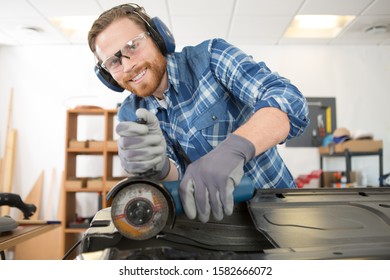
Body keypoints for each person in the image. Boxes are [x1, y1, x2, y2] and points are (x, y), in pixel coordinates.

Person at [88, 3, 309, 223]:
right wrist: (161, 168)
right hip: (207, 229)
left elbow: (288, 99)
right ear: (107, 76)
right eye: (113, 62)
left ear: (157, 37)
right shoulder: (130, 113)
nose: (128, 67)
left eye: (132, 46)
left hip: (279, 212)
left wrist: (235, 149)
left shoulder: (212, 58)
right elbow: (175, 181)